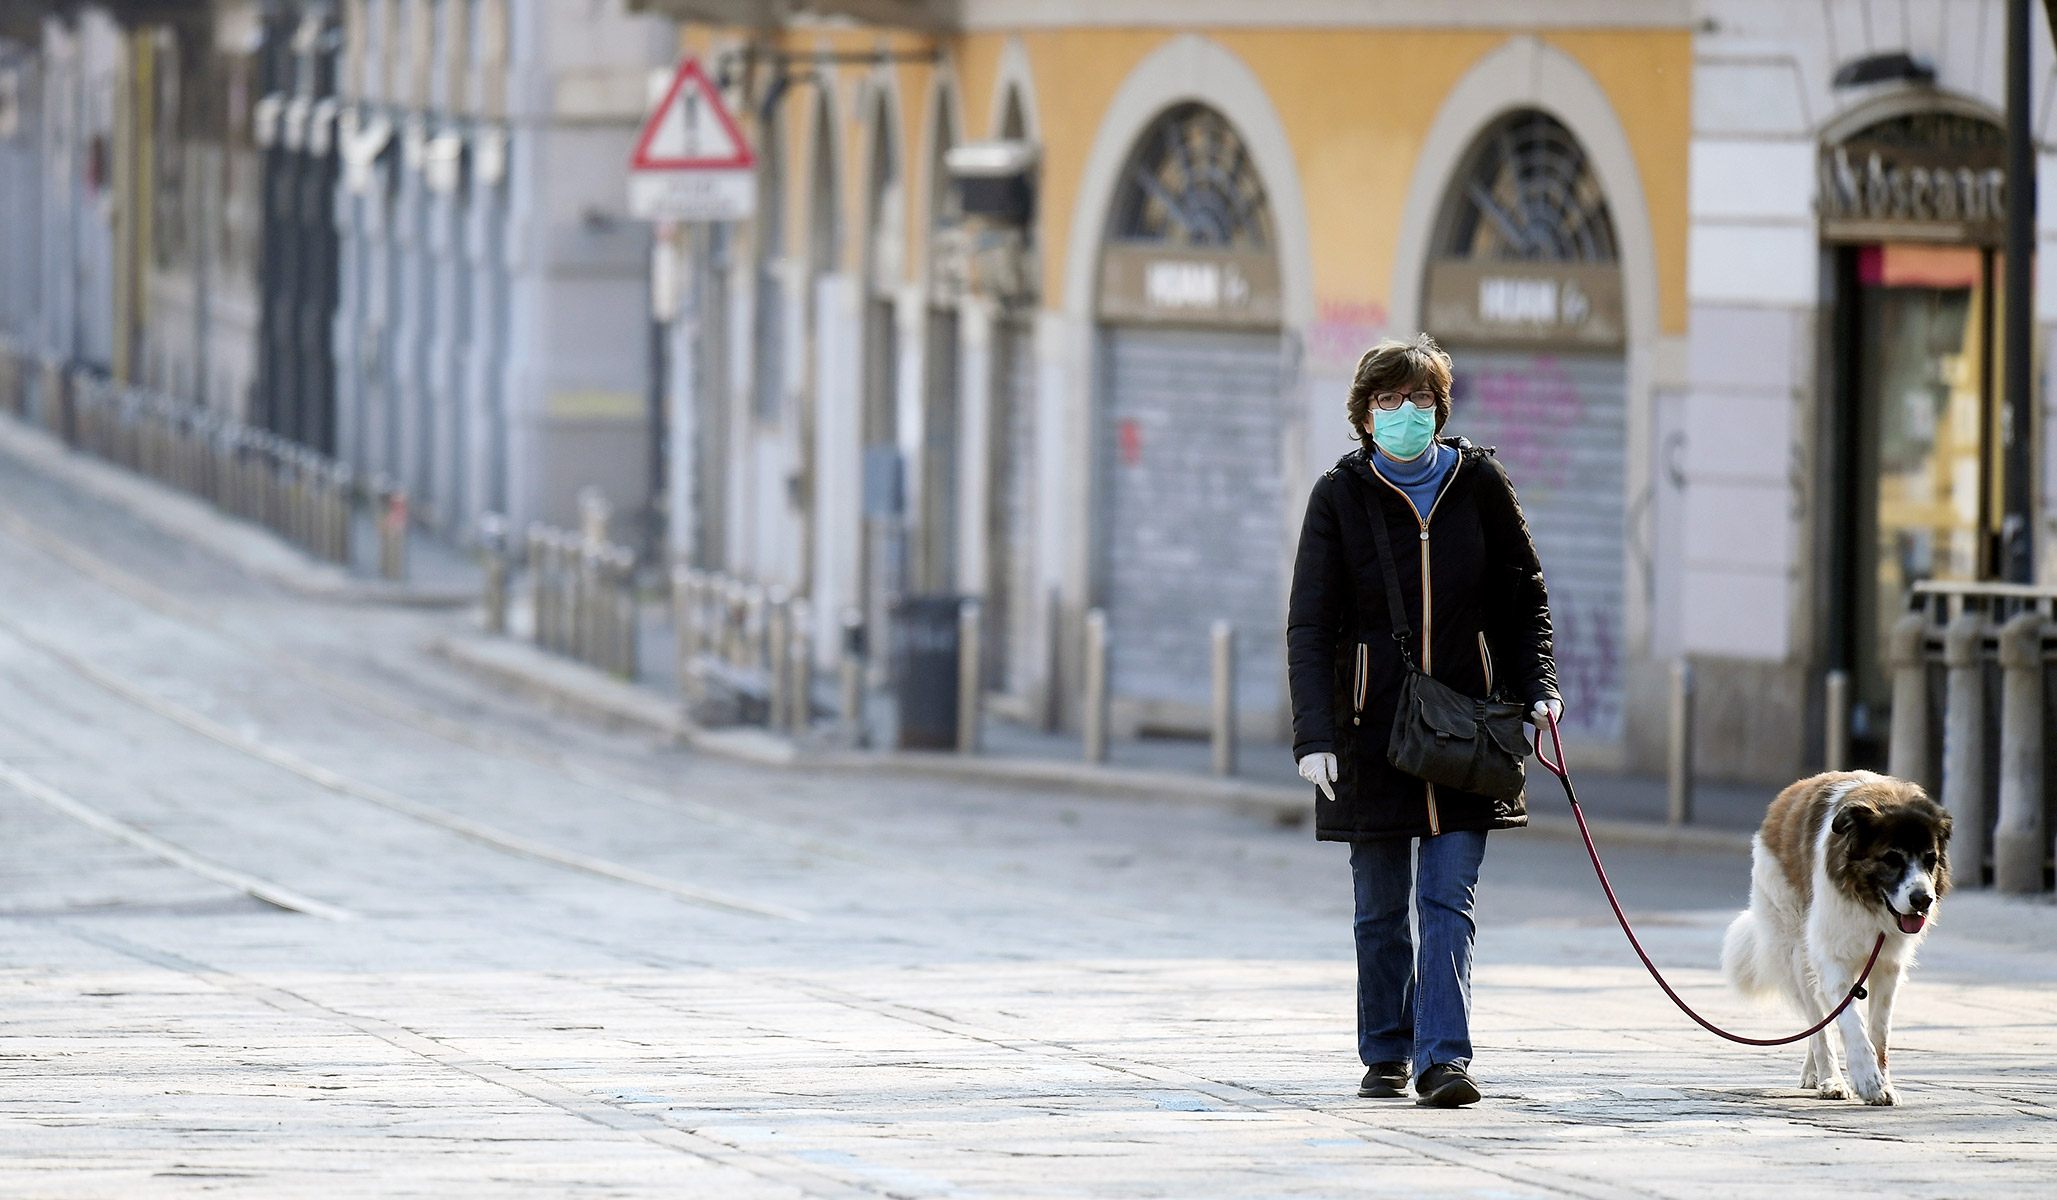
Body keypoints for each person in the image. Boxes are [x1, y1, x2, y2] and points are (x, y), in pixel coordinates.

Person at [1286, 334, 1561, 1108]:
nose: (1403, 412)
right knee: (1378, 910)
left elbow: (1525, 596)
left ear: (1440, 409)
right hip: (1368, 731)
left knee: (1447, 902)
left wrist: (1537, 685)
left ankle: (1443, 1059)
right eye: (1387, 399)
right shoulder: (1337, 497)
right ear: (1364, 412)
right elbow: (1309, 625)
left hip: (1469, 729)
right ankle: (1385, 1047)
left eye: (1418, 399)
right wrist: (1313, 737)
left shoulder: (1480, 484)